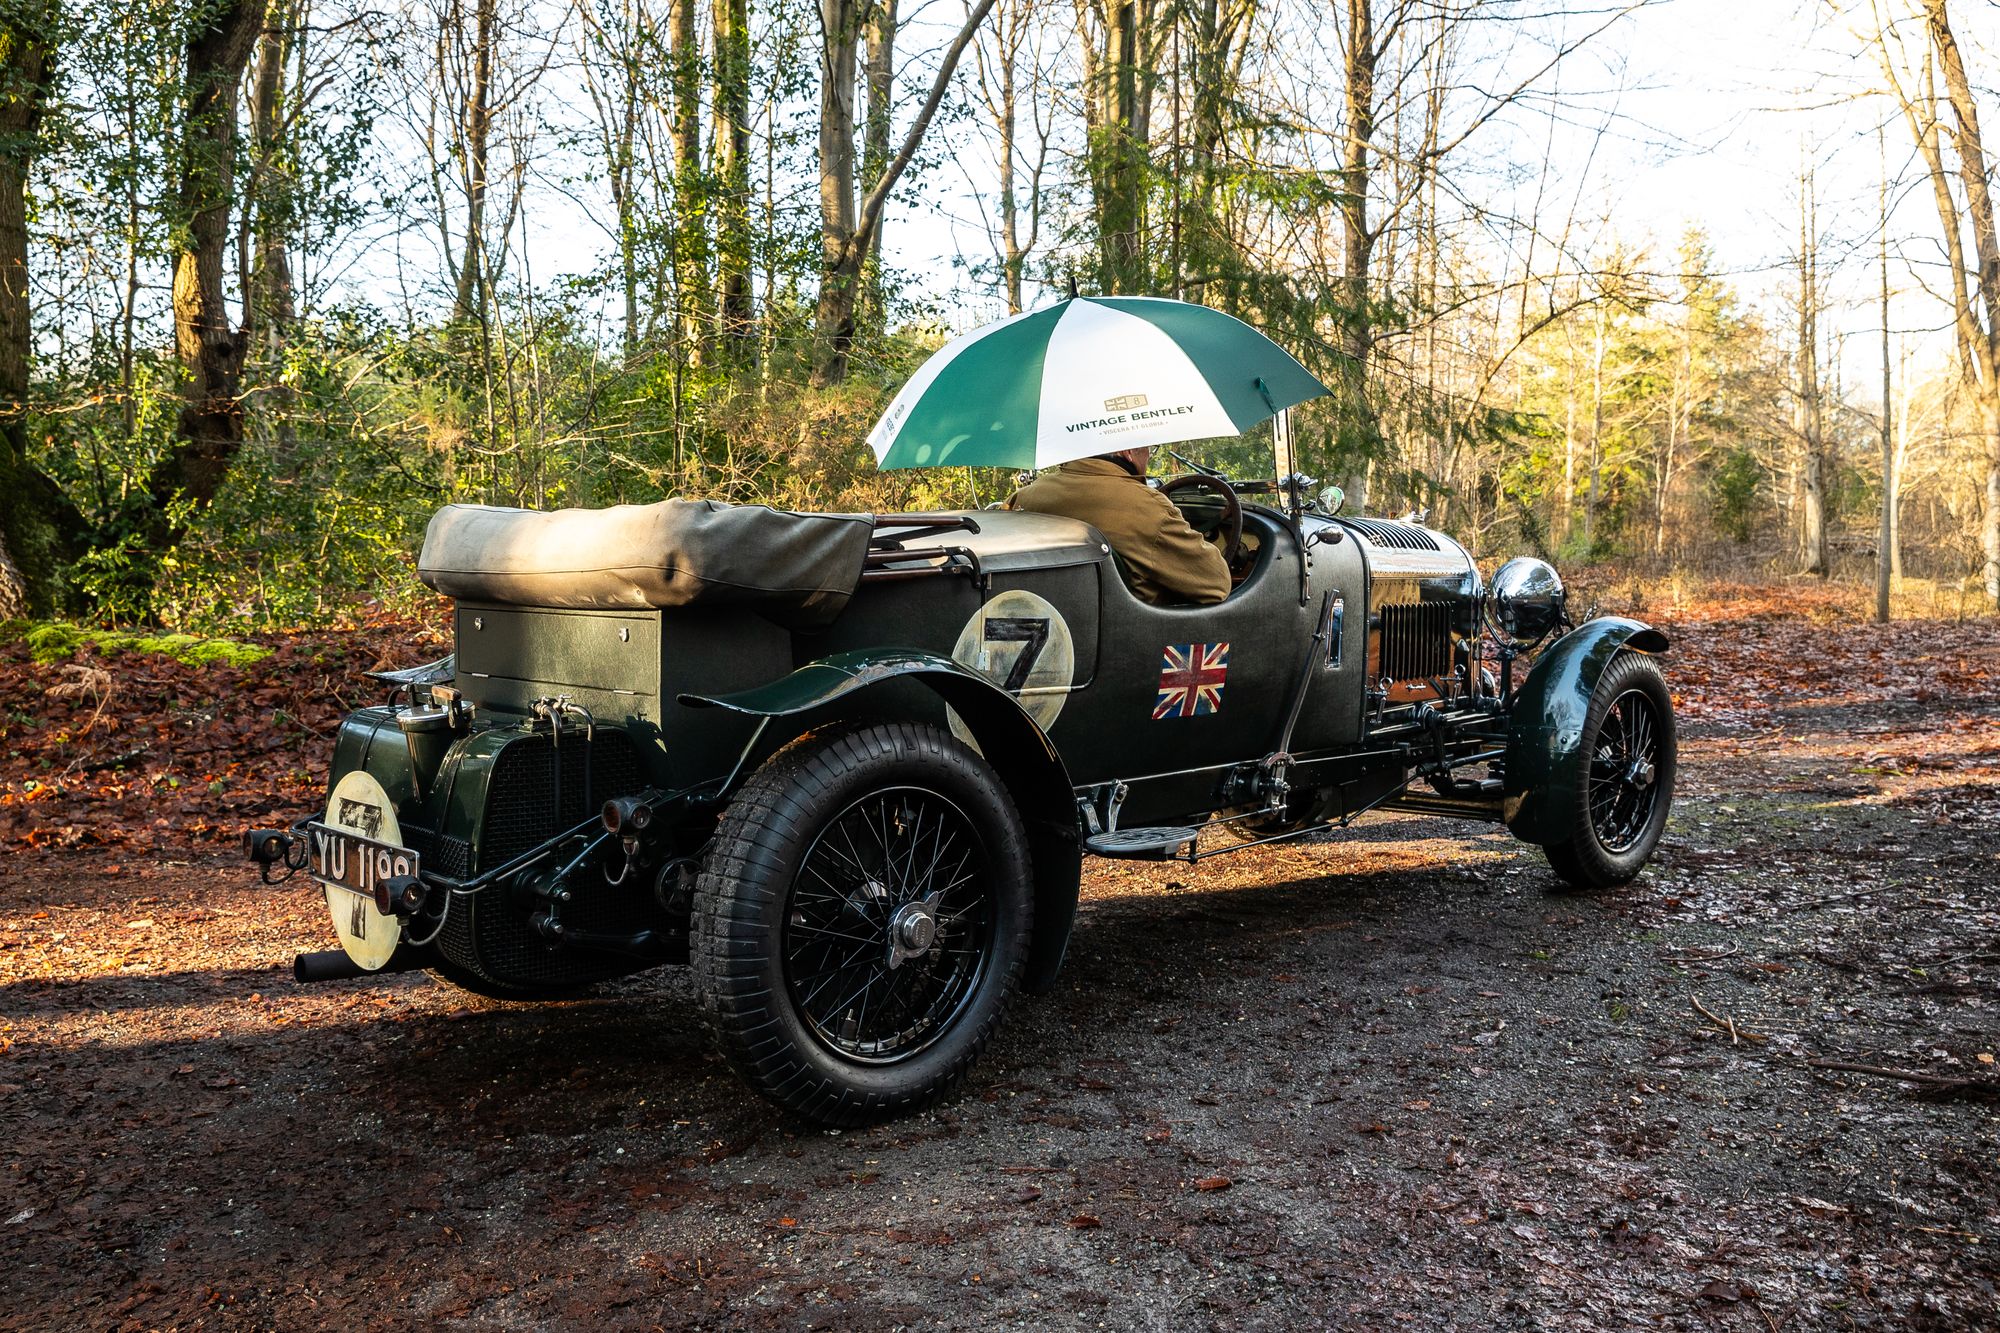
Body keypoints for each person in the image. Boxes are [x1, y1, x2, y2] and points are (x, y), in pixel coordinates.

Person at [1007, 445, 1231, 605]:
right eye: (1149, 449)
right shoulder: (1148, 507)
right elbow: (1216, 584)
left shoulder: (1023, 498)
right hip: (1133, 645)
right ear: (1128, 451)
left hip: (1050, 635)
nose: (1148, 458)